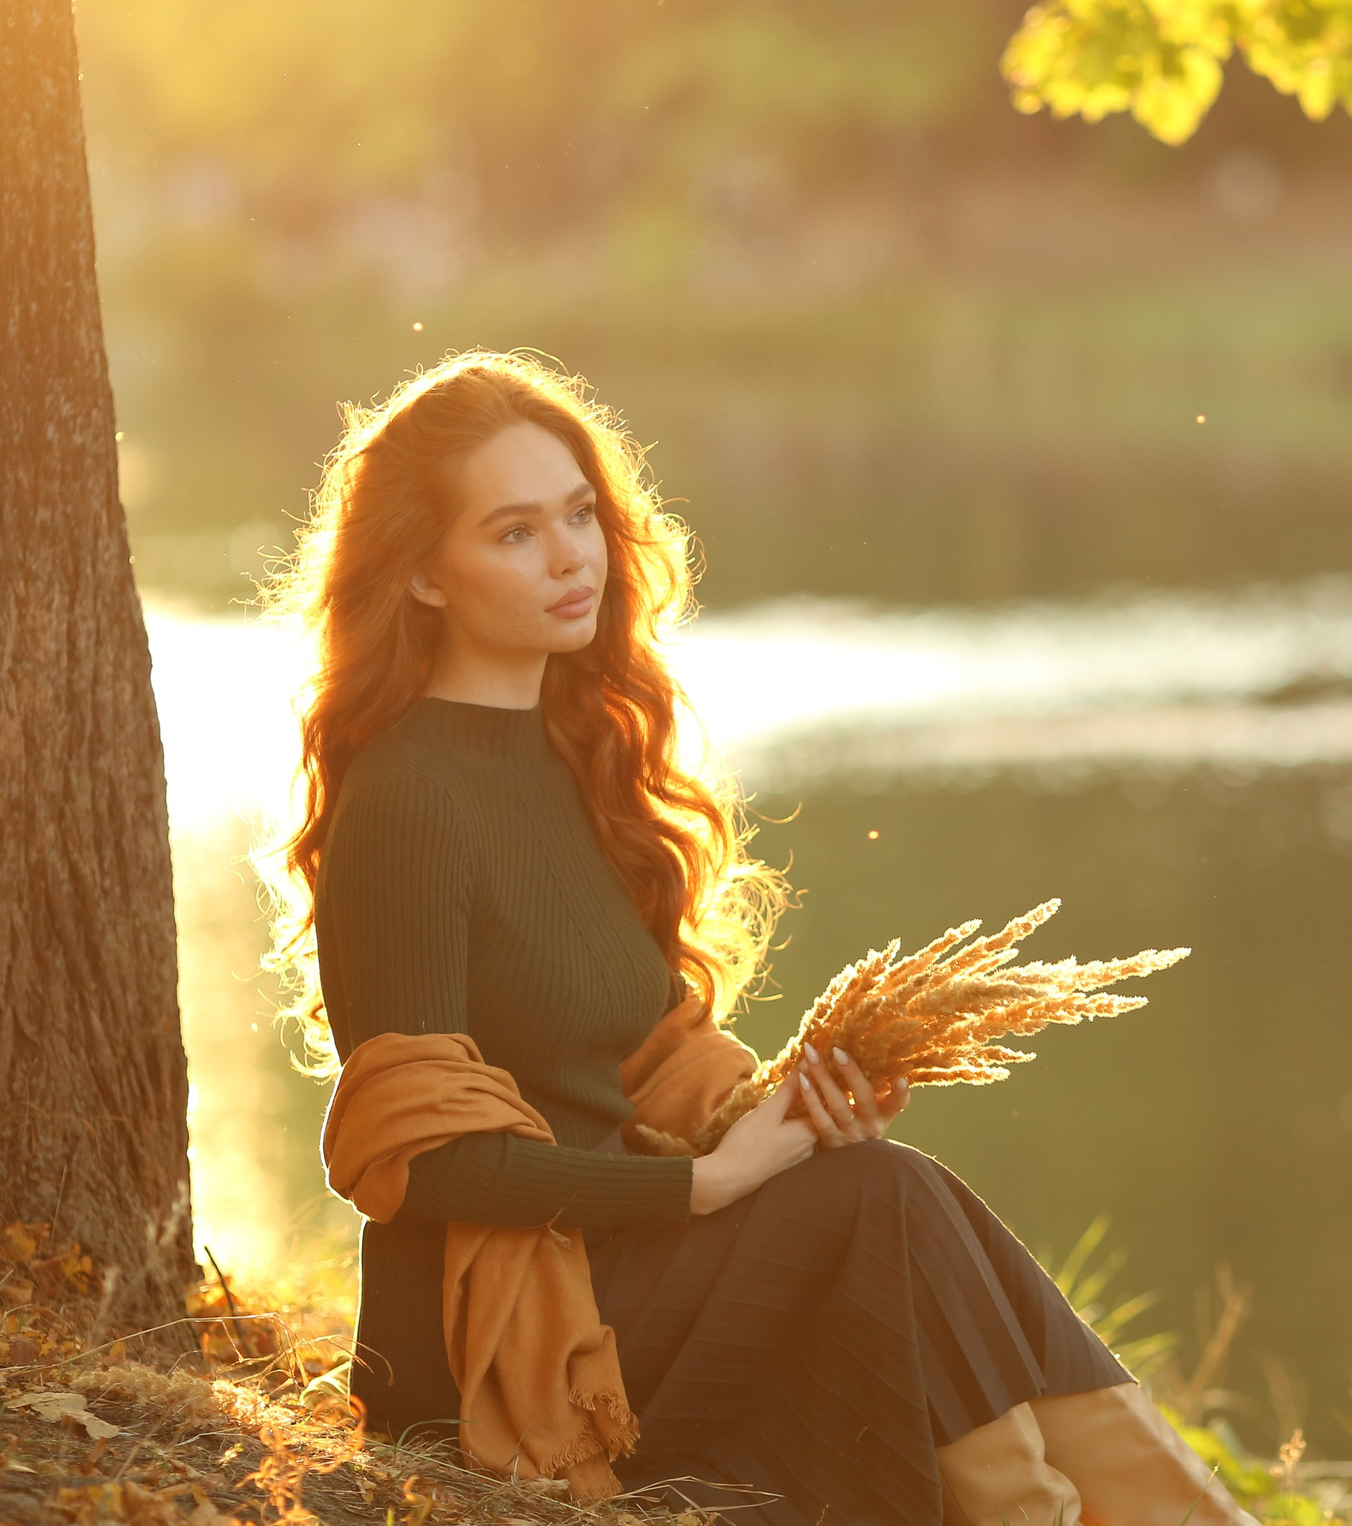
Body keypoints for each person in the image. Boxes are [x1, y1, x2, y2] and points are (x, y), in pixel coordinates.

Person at [268, 351, 1255, 1526]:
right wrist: (706, 1182)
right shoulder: (409, 799)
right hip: (504, 1332)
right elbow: (417, 1163)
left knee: (882, 1188)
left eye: (580, 513)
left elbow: (628, 1065)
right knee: (884, 1206)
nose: (572, 554)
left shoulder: (576, 763)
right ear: (423, 575)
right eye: (515, 533)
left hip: (627, 1267)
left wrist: (780, 1115)